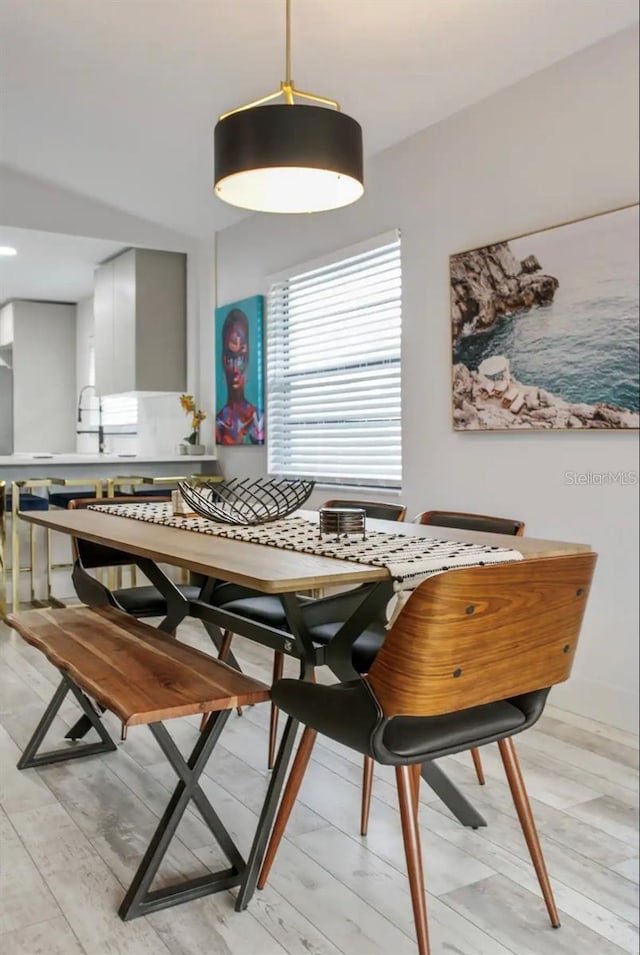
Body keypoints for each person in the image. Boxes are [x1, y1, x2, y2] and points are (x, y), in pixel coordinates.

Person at [215, 308, 264, 445]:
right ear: (223, 361)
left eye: (241, 357)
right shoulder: (218, 425)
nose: (236, 369)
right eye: (230, 358)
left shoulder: (259, 420)